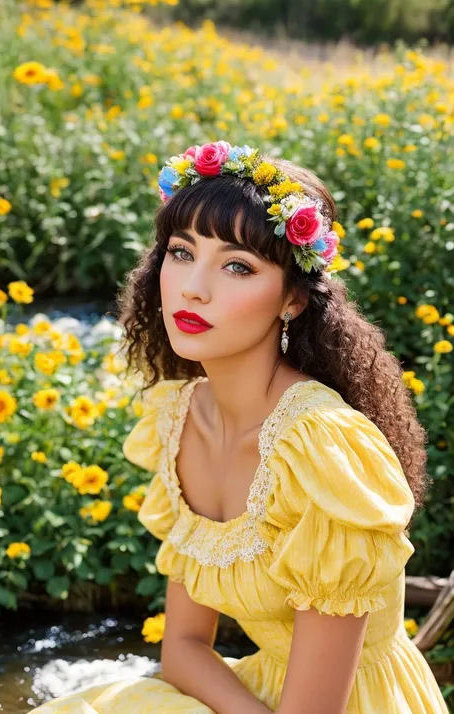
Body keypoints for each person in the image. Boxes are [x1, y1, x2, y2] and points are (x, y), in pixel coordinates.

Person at [28, 141, 449, 714]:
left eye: (237, 266)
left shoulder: (321, 445)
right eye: (181, 252)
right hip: (255, 695)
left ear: (293, 300)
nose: (194, 287)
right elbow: (180, 649)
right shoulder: (180, 417)